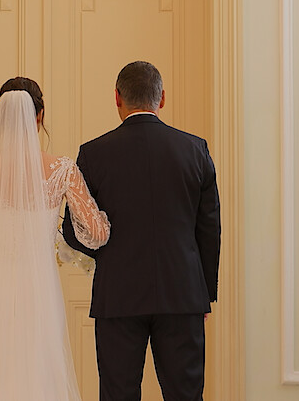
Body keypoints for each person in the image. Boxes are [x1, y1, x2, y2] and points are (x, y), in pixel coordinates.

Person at [0, 77, 111, 401]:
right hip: (39, 290)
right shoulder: (61, 169)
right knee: (38, 378)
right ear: (40, 115)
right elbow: (96, 234)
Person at [62, 61, 221, 401]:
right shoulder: (196, 150)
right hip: (183, 295)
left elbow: (72, 229)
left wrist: (106, 254)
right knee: (186, 395)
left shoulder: (93, 154)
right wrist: (204, 292)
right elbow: (209, 228)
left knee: (118, 395)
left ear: (116, 98)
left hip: (117, 296)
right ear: (161, 98)